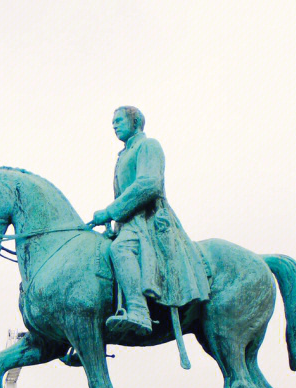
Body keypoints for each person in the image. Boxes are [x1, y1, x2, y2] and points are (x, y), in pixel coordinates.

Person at [90, 106, 210, 336]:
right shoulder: (125, 154)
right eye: (112, 122)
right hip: (129, 222)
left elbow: (148, 184)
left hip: (150, 220)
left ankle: (139, 311)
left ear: (135, 122)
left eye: (119, 121)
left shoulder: (148, 145)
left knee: (121, 249)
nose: (114, 126)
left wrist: (110, 211)